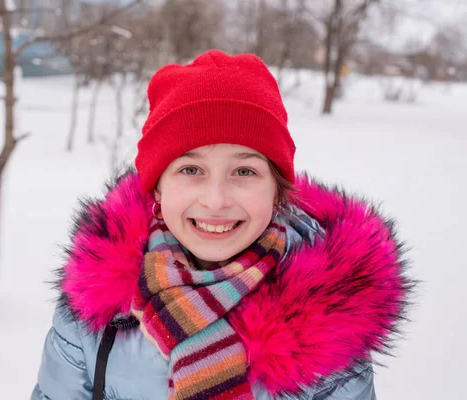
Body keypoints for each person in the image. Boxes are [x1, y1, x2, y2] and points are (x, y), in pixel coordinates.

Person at [31, 50, 414, 400]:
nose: (216, 200)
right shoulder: (95, 310)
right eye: (191, 169)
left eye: (244, 171)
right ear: (158, 189)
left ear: (277, 192)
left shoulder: (331, 325)